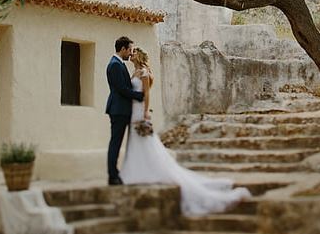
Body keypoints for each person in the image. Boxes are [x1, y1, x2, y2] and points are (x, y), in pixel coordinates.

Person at [120, 47, 251, 215]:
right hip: (133, 111)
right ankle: (136, 169)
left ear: (139, 56)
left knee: (146, 141)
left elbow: (146, 95)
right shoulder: (135, 72)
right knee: (135, 140)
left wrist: (146, 112)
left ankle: (149, 170)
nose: (131, 55)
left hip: (140, 111)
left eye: (133, 53)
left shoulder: (145, 73)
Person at [105, 36, 144, 186]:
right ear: (123, 49)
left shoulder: (118, 63)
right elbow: (122, 89)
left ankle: (115, 174)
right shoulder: (115, 65)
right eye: (129, 50)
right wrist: (139, 96)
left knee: (118, 142)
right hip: (119, 109)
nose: (130, 53)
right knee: (116, 142)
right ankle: (113, 175)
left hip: (122, 109)